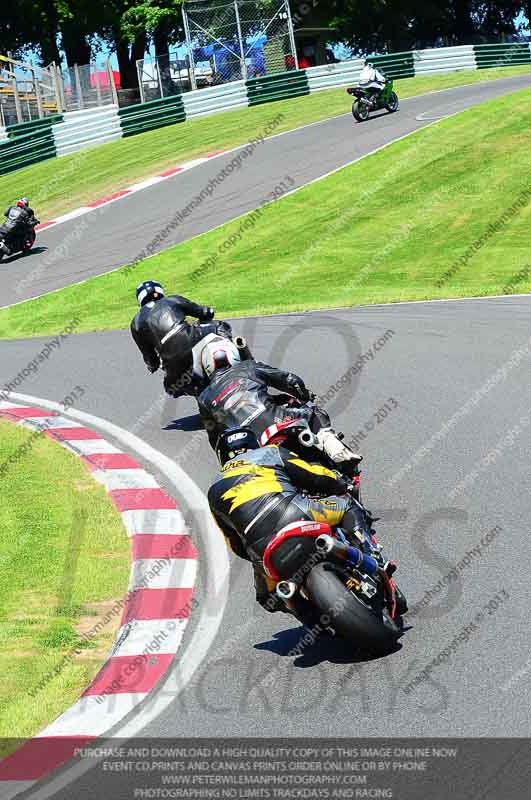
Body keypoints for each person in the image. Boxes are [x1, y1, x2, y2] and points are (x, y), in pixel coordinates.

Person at [207, 427, 369, 612]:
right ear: (253, 443)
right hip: (298, 513)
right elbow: (314, 476)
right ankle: (371, 554)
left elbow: (234, 544)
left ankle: (313, 618)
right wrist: (341, 483)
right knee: (347, 504)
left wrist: (254, 553)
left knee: (268, 598)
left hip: (261, 546)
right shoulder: (270, 452)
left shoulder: (213, 489)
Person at [196, 335, 361, 476]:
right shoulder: (248, 367)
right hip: (276, 421)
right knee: (315, 413)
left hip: (247, 444)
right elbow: (290, 380)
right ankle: (338, 452)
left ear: (206, 365)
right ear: (232, 354)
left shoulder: (204, 398)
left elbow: (215, 439)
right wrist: (303, 396)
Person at [130, 280, 232, 399]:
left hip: (171, 360)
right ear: (160, 291)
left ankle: (202, 396)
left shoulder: (136, 323)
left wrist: (153, 366)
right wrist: (208, 312)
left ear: (140, 299)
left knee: (170, 387)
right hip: (191, 338)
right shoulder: (171, 300)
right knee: (221, 326)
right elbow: (203, 312)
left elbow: (149, 356)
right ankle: (243, 361)